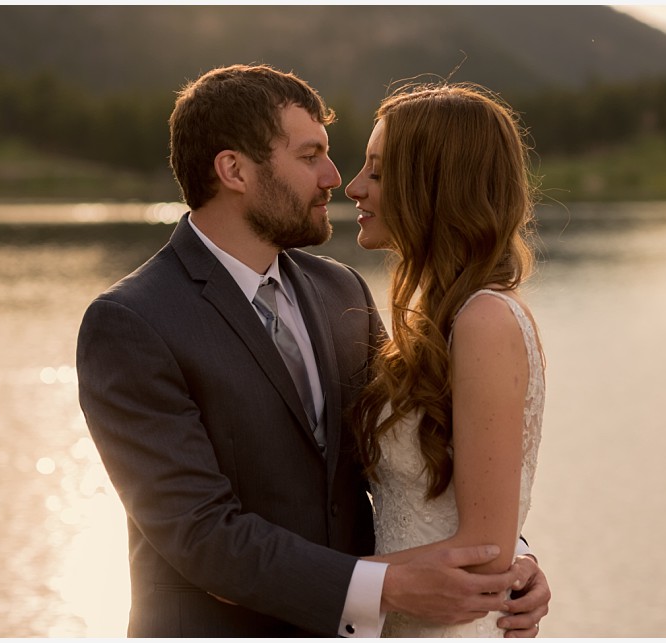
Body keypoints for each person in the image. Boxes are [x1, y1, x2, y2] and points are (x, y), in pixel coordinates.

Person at [76, 64, 549, 637]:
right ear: (234, 170)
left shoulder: (339, 290)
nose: (334, 177)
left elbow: (421, 450)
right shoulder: (132, 322)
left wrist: (508, 556)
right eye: (309, 156)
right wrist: (391, 586)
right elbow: (202, 536)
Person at [345, 82, 547, 637]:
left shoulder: (484, 322)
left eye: (379, 173)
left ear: (434, 187)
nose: (355, 187)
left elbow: (484, 552)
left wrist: (309, 583)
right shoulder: (442, 319)